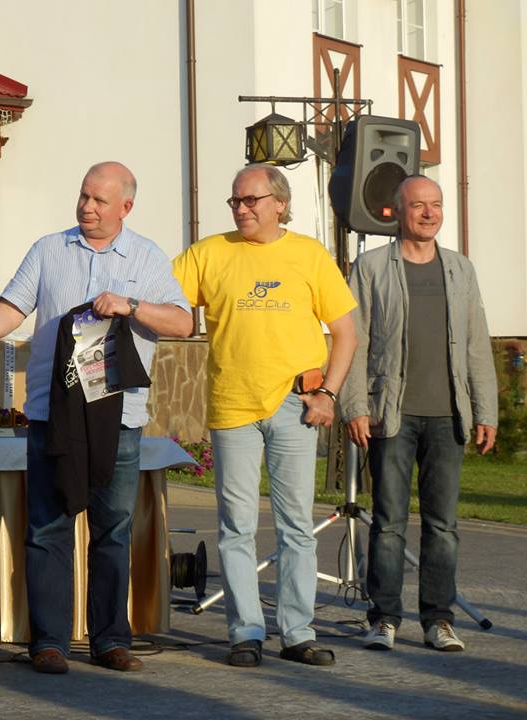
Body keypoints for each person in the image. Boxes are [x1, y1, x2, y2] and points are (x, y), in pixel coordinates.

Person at [0, 161, 192, 674]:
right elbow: (12, 308)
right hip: (54, 414)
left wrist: (131, 305)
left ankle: (110, 640)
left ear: (126, 207)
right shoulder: (48, 250)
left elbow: (182, 322)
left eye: (99, 201)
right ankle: (49, 642)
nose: (87, 207)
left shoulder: (148, 257)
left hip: (120, 420)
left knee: (113, 530)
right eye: (84, 196)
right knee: (48, 527)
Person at [172, 164, 357, 668]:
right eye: (235, 201)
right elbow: (162, 296)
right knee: (236, 525)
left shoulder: (309, 255)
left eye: (250, 200)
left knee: (296, 524)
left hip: (295, 405)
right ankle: (246, 633)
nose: (241, 209)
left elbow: (345, 332)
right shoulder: (208, 253)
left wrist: (329, 394)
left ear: (280, 203)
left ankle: (297, 633)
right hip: (232, 405)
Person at [339, 175, 498, 652]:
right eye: (418, 206)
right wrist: (355, 405)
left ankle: (438, 620)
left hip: (448, 415)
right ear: (397, 212)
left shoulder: (460, 268)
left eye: (436, 205)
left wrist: (486, 410)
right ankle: (384, 618)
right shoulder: (370, 267)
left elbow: (476, 343)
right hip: (391, 415)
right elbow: (354, 339)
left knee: (442, 525)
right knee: (389, 522)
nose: (429, 213)